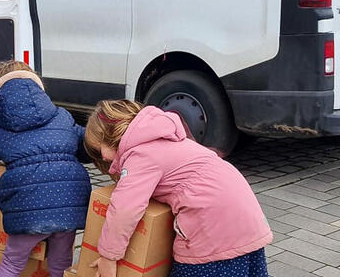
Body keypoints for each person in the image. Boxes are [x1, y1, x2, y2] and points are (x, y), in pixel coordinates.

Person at [84, 101, 272, 277]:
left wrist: (109, 256)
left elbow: (125, 208)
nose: (103, 158)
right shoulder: (166, 138)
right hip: (248, 222)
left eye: (97, 149)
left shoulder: (141, 154)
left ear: (109, 136)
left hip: (214, 231)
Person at [0, 61, 92, 277]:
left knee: (13, 262)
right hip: (69, 201)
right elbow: (85, 146)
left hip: (27, 205)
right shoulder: (62, 116)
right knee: (61, 262)